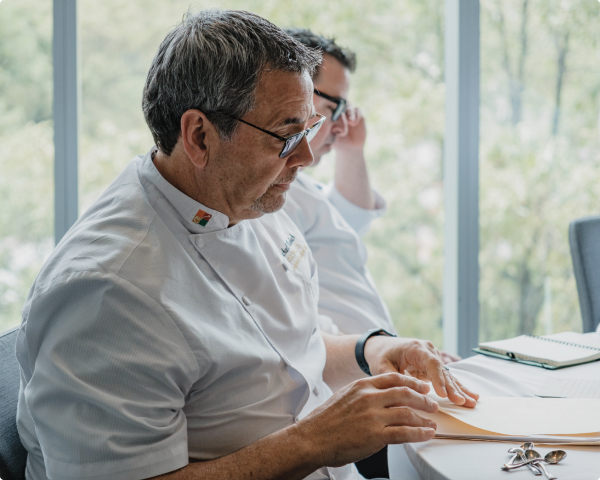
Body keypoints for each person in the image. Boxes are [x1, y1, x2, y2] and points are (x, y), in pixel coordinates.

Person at [16, 10, 478, 480]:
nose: (304, 156)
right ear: (199, 136)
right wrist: (314, 441)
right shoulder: (108, 293)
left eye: (308, 130)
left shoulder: (246, 198)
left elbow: (285, 346)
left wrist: (371, 350)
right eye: (286, 135)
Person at [282, 29, 460, 479]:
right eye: (334, 106)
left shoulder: (305, 190)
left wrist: (399, 350)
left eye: (346, 108)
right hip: (351, 384)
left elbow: (353, 216)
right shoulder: (274, 194)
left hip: (372, 362)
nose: (342, 122)